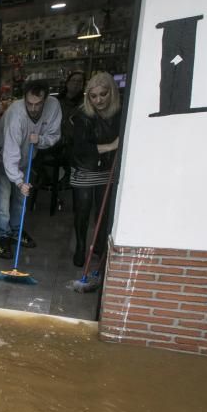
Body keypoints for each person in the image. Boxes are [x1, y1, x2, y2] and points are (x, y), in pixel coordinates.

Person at [0, 80, 62, 258]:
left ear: (45, 100)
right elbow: (10, 152)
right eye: (29, 103)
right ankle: (1, 236)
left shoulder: (53, 106)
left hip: (28, 158)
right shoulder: (16, 114)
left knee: (21, 200)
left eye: (37, 104)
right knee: (2, 201)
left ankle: (17, 230)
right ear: (24, 98)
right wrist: (18, 181)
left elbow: (54, 135)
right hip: (5, 159)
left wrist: (40, 140)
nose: (33, 108)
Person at [70, 71, 121, 268]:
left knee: (104, 211)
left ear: (112, 93)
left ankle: (99, 249)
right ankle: (81, 247)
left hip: (107, 170)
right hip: (84, 169)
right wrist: (111, 146)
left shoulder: (119, 113)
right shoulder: (82, 116)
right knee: (82, 211)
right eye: (93, 96)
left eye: (103, 94)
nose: (98, 100)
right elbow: (81, 148)